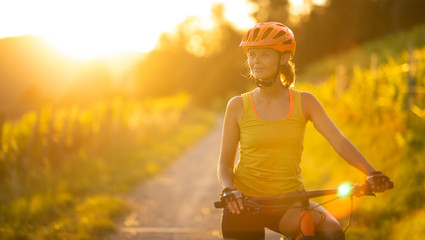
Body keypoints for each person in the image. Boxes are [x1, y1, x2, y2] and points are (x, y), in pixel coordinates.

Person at [217, 22, 392, 240]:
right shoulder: (237, 105)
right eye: (252, 54)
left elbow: (338, 140)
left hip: (289, 202)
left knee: (331, 232)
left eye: (264, 55)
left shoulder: (305, 102)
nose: (255, 61)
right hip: (244, 202)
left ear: (283, 58)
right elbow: (225, 164)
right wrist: (229, 189)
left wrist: (371, 173)